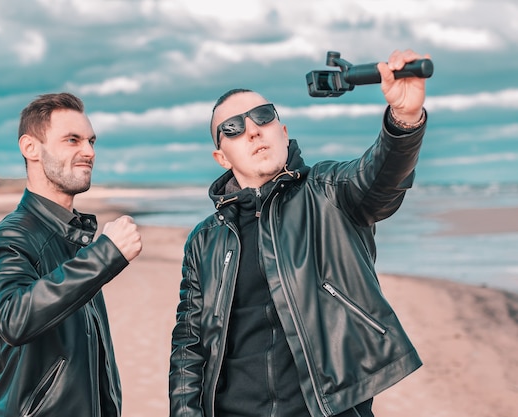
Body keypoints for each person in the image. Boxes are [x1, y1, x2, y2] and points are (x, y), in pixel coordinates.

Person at [169, 49, 429, 417]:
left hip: (329, 408)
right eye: (233, 128)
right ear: (222, 158)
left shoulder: (328, 190)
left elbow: (382, 179)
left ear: (283, 131)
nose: (253, 129)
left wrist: (404, 118)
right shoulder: (205, 240)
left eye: (262, 116)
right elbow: (189, 344)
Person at [0, 92, 142, 417]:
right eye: (72, 140)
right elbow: (13, 319)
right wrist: (105, 255)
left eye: (91, 141)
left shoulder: (73, 237)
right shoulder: (12, 235)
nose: (89, 152)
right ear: (30, 148)